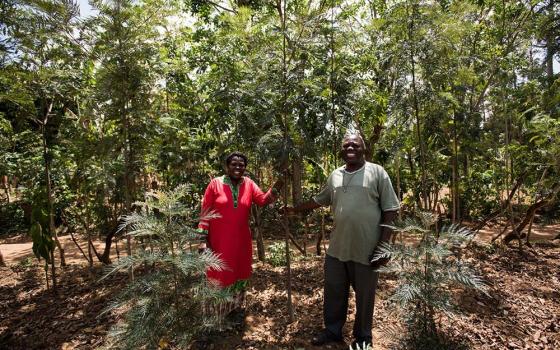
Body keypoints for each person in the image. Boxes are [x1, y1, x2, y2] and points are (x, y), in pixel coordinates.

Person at [285, 133, 399, 348]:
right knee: (334, 292)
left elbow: (391, 210)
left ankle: (363, 337)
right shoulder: (335, 175)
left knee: (365, 296)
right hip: (337, 247)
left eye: (355, 145)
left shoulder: (377, 172)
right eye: (346, 145)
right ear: (341, 150)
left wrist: (384, 246)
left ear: (363, 148)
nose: (350, 148)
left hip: (367, 248)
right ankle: (332, 331)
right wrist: (293, 209)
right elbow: (320, 199)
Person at [198, 152, 283, 316]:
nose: (238, 167)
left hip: (241, 240)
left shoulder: (249, 184)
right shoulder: (215, 184)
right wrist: (202, 240)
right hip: (219, 241)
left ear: (245, 167)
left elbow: (263, 200)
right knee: (219, 271)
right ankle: (218, 313)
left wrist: (278, 185)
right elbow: (205, 213)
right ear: (227, 166)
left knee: (240, 270)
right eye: (234, 164)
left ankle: (235, 309)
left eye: (241, 165)